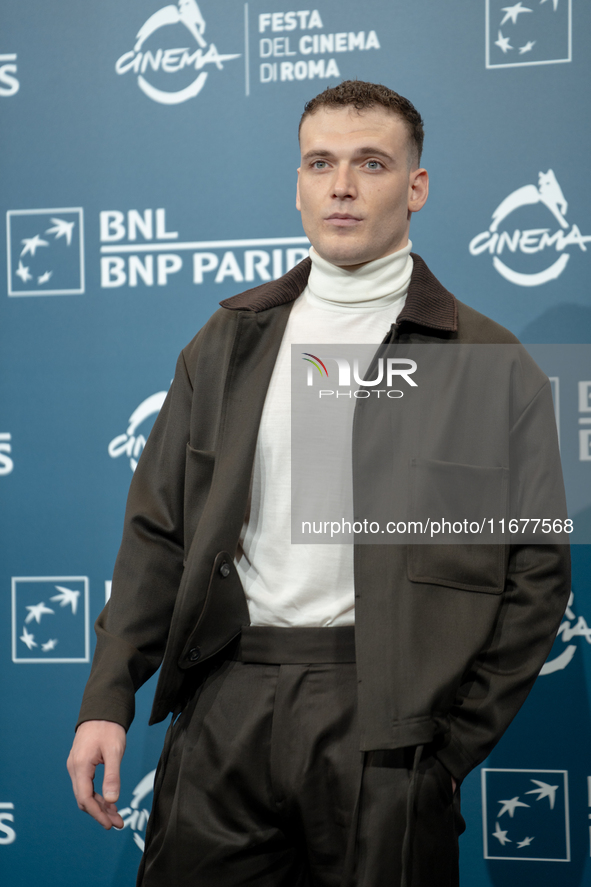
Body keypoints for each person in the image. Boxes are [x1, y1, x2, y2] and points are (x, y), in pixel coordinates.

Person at [67, 81, 570, 886]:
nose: (340, 185)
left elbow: (537, 572)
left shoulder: (490, 359)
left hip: (388, 724)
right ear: (297, 183)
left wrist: (448, 748)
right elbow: (158, 533)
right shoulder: (225, 340)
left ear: (415, 187)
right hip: (227, 702)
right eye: (319, 162)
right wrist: (107, 696)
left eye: (369, 163)